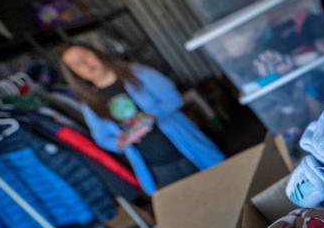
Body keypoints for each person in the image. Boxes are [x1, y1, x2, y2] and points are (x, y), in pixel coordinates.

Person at [60, 43, 224, 194]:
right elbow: (101, 138)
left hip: (189, 149)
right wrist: (120, 142)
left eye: (85, 55)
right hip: (158, 168)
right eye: (77, 64)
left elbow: (173, 98)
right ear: (75, 74)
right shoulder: (90, 103)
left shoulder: (137, 72)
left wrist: (153, 115)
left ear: (95, 52)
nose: (85, 64)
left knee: (223, 188)